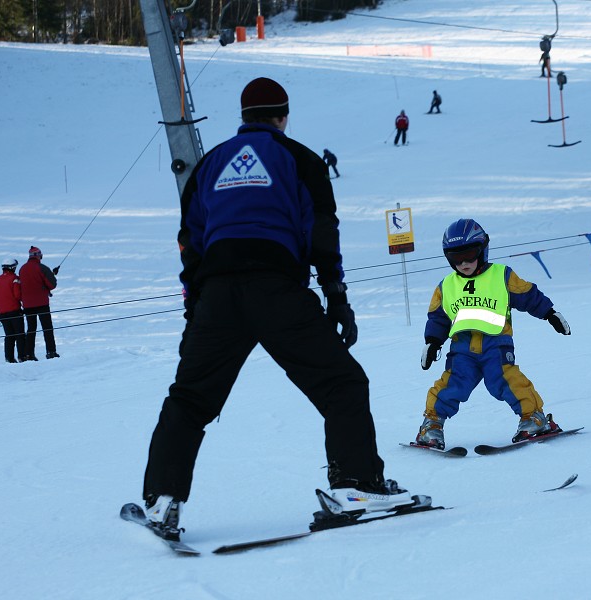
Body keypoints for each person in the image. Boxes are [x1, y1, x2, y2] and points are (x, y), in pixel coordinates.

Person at [141, 76, 421, 541]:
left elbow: (190, 240)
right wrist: (336, 296)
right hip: (277, 289)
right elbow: (321, 229)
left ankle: (162, 500)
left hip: (218, 294)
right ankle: (358, 485)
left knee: (190, 399)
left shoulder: (209, 165)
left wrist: (196, 310)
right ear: (283, 116)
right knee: (341, 383)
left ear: (244, 117)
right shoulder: (300, 158)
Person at [415, 218, 572, 449]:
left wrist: (550, 314)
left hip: (495, 345)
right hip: (462, 348)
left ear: (483, 249)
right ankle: (432, 425)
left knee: (505, 380)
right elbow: (438, 318)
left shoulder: (501, 275)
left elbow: (528, 295)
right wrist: (432, 343)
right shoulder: (446, 286)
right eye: (456, 258)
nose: (464, 263)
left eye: (469, 254)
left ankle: (534, 418)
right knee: (452, 384)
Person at [19, 246, 59, 360]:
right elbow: (52, 284)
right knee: (47, 328)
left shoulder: (22, 269)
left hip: (27, 305)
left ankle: (29, 354)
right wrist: (51, 275)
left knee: (31, 329)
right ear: (38, 255)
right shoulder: (42, 268)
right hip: (42, 304)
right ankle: (51, 351)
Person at [0, 258, 26, 363]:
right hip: (14, 311)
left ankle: (9, 358)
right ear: (12, 267)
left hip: (1, 313)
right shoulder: (15, 279)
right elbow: (17, 295)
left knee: (9, 335)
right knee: (20, 335)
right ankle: (22, 356)